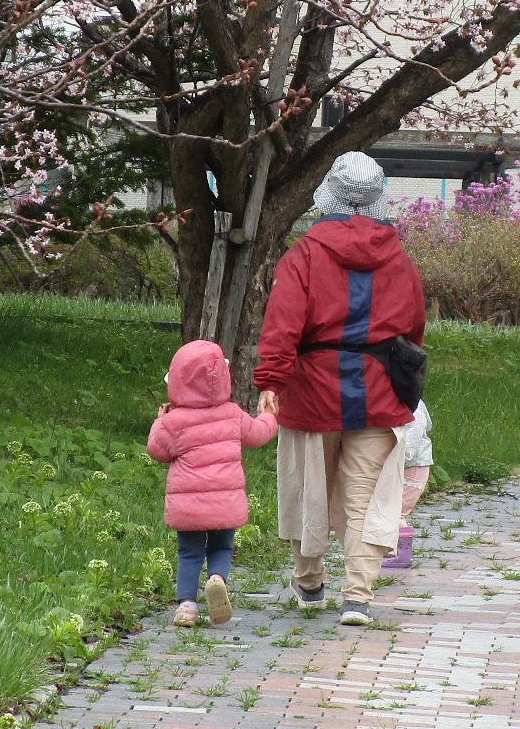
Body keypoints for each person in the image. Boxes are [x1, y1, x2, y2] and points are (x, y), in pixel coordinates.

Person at [255, 152, 423, 626]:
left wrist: (270, 379)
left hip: (312, 391)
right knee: (365, 499)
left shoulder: (303, 255)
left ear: (328, 193)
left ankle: (309, 584)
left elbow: (282, 323)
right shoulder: (400, 259)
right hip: (380, 391)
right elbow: (413, 329)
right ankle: (359, 597)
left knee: (309, 488)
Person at [146, 340, 278, 628]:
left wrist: (160, 420)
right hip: (224, 504)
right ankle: (217, 579)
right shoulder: (232, 414)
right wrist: (269, 416)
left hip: (189, 507)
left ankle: (186, 607)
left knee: (189, 553)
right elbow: (258, 434)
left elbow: (157, 450)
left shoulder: (174, 422)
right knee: (221, 548)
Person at [383, 398, 432, 570]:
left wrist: (392, 460)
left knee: (397, 511)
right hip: (406, 467)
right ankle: (392, 549)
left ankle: (401, 554)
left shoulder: (415, 408)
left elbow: (410, 445)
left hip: (412, 468)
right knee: (391, 509)